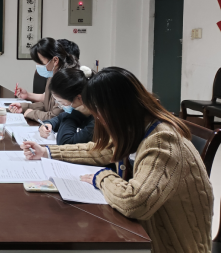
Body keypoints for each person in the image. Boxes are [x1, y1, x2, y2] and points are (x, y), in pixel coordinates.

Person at [21, 67, 213, 253]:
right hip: (145, 233)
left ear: (117, 109)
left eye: (100, 114)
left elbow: (134, 202)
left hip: (170, 245)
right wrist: (47, 151)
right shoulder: (137, 126)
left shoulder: (163, 141)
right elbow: (101, 151)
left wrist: (102, 177)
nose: (100, 120)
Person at [10, 37, 78, 121]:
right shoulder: (52, 75)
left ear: (55, 60)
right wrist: (24, 107)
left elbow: (55, 116)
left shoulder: (66, 81)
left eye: (41, 62)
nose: (38, 65)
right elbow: (47, 105)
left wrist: (32, 113)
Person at [39, 67, 94, 145]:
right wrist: (47, 125)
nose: (61, 106)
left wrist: (75, 115)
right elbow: (59, 119)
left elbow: (64, 143)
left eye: (62, 103)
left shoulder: (98, 122)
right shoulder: (82, 109)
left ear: (79, 98)